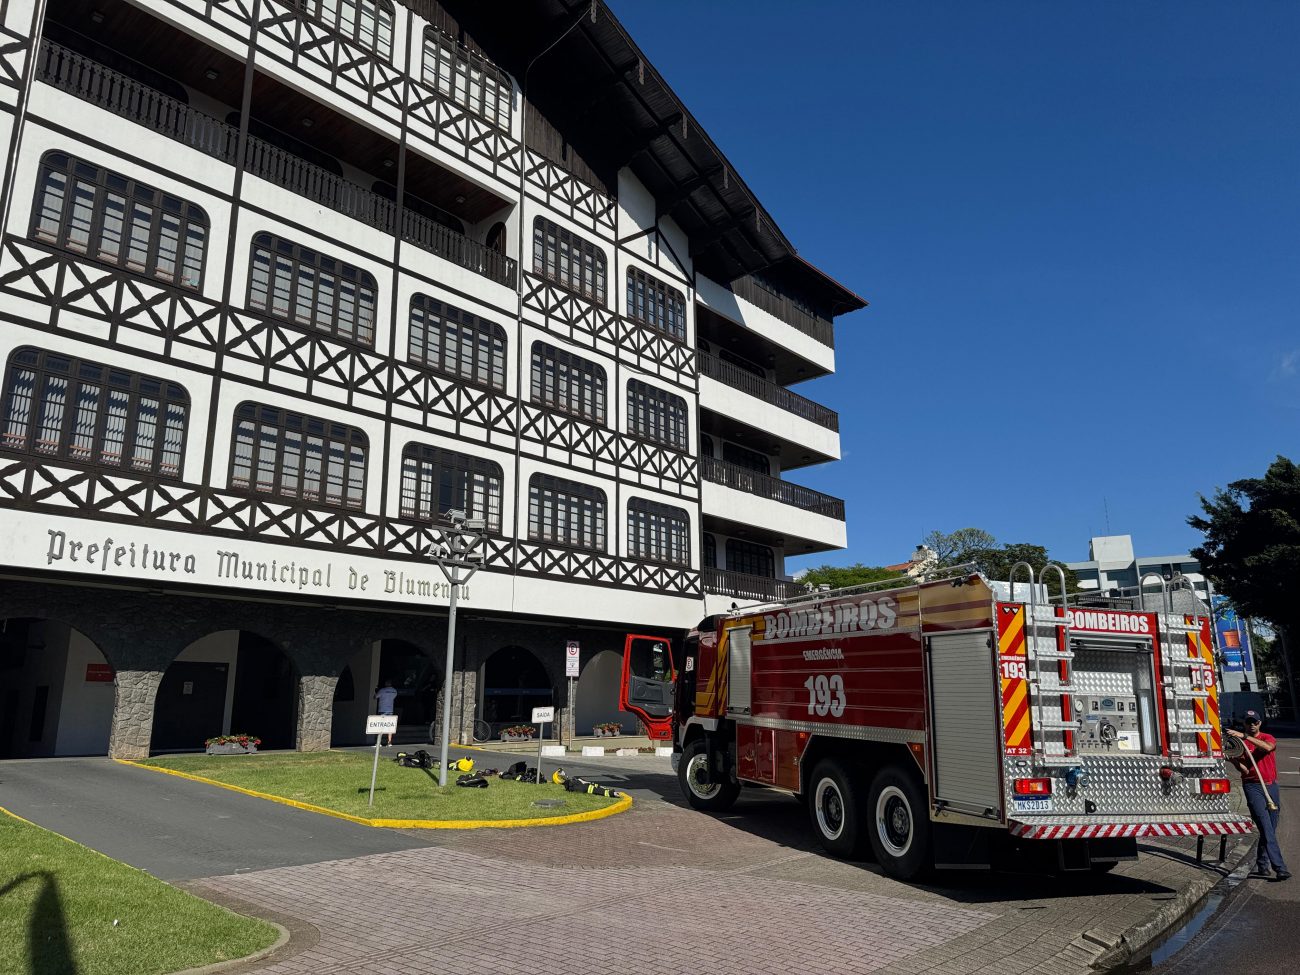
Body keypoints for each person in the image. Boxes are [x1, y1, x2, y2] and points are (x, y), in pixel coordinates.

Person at [1227, 709, 1290, 880]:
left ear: (1260, 723)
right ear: (1244, 723)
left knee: (1270, 828)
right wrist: (1232, 757)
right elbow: (1245, 769)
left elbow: (1269, 748)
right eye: (1249, 722)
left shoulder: (1267, 738)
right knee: (1265, 826)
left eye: (1255, 721)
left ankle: (1262, 864)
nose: (1252, 724)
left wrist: (1244, 736)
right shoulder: (1240, 744)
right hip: (1253, 787)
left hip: (1271, 787)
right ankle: (1280, 867)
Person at [375, 679, 398, 747]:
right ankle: (389, 742)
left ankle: (379, 742)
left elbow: (375, 697)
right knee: (389, 726)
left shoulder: (382, 690)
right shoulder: (394, 691)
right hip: (390, 710)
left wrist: (376, 691)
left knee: (380, 725)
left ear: (386, 684)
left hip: (382, 710)